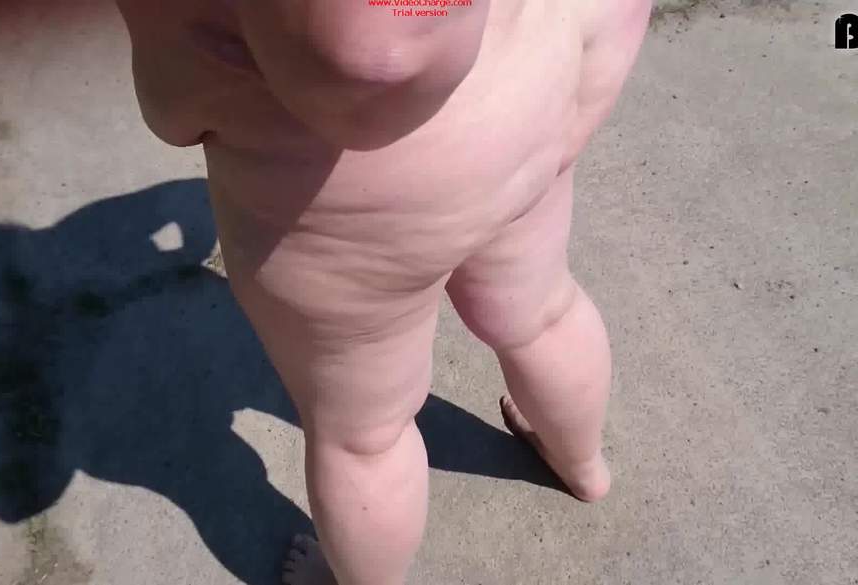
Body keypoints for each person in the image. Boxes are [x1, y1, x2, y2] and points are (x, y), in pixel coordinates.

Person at [116, 0, 651, 583]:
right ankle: (582, 465)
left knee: (366, 440)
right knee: (545, 313)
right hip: (523, 109)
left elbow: (174, 105)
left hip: (343, 214)